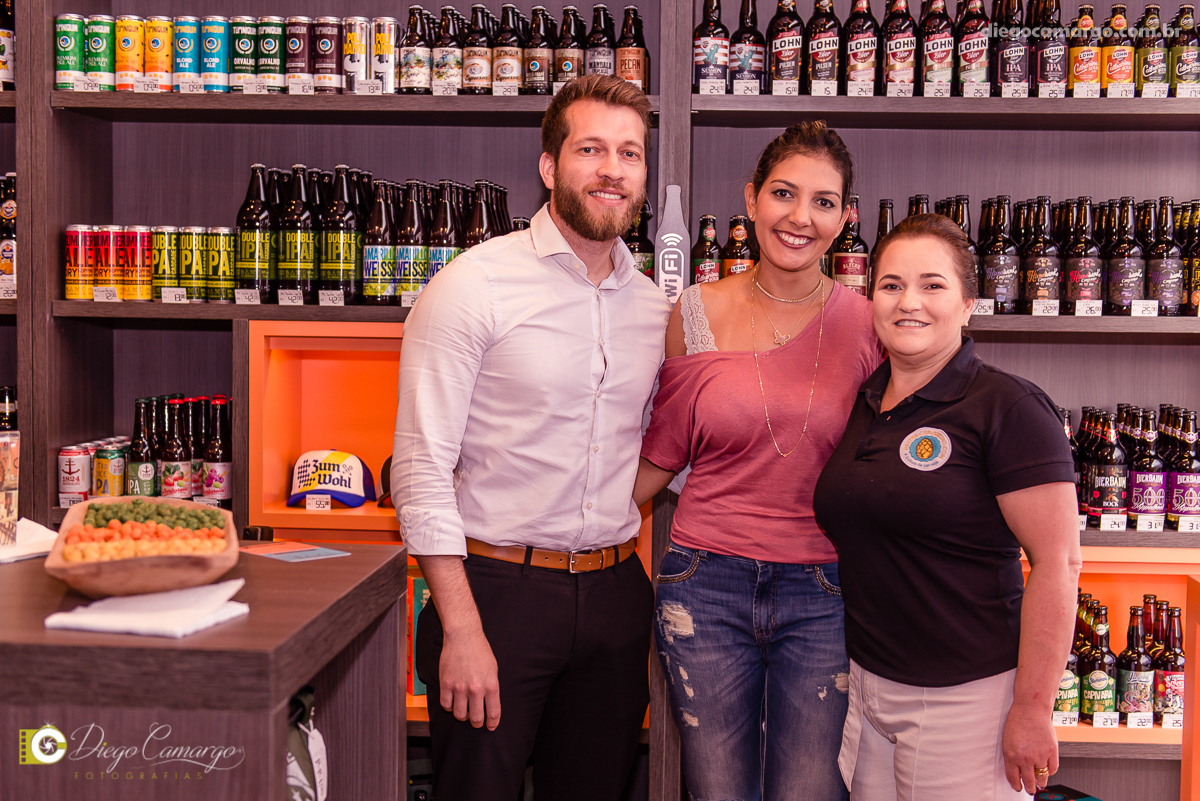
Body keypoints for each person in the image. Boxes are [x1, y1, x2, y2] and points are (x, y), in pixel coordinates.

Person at [392, 74, 669, 801]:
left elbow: (657, 449)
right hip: (493, 594)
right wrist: (459, 627)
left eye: (630, 154)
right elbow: (420, 469)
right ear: (549, 167)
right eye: (591, 149)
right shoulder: (473, 284)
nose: (612, 169)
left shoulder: (653, 308)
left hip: (614, 594)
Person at [633, 121, 882, 800]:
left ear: (845, 217)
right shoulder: (693, 310)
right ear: (751, 199)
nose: (801, 217)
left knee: (810, 788)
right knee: (716, 789)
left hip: (827, 589)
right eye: (783, 193)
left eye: (824, 201)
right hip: (702, 581)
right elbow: (661, 453)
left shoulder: (869, 323)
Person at [813, 214, 1082, 800]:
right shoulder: (866, 400)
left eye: (933, 285)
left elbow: (1059, 565)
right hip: (866, 685)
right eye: (891, 285)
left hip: (968, 697)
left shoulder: (1007, 406)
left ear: (968, 303)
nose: (909, 302)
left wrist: (1033, 709)